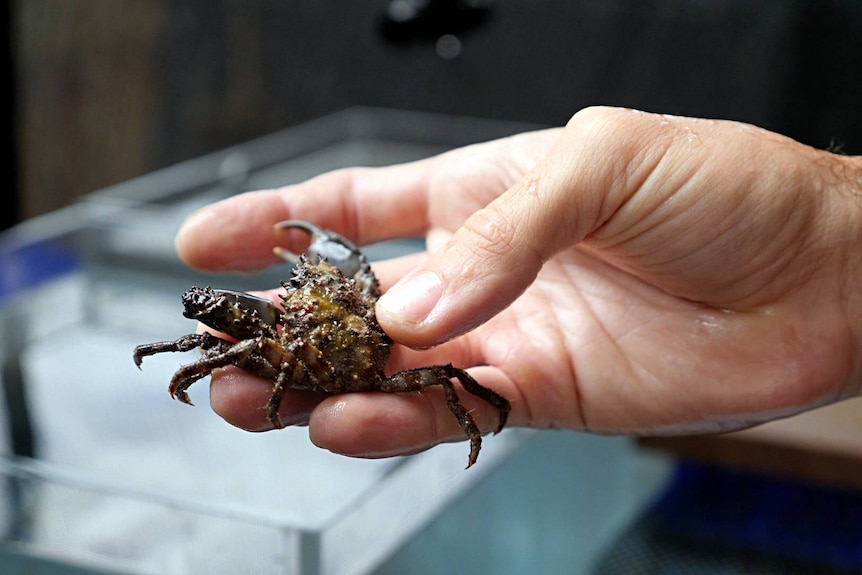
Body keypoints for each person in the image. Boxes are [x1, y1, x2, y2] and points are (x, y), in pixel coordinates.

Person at [174, 106, 861, 460]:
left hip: (358, 368)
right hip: (354, 369)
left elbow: (445, 376)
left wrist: (827, 246)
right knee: (237, 344)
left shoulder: (341, 326)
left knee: (262, 357)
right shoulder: (292, 332)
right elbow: (251, 341)